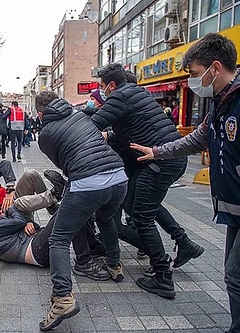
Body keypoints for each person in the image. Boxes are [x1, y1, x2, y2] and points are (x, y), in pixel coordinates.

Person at [130, 33, 240, 333]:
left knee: (234, 276)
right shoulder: (222, 103)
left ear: (215, 67)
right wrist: (157, 151)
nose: (194, 82)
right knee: (233, 275)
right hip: (237, 209)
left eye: (195, 74)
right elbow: (198, 139)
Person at [91, 63, 188, 300]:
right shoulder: (137, 92)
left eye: (102, 87)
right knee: (138, 209)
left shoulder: (120, 96)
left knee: (142, 215)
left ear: (111, 85)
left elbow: (92, 124)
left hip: (160, 161)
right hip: (168, 157)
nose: (102, 92)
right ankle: (178, 247)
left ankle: (163, 276)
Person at [36, 91, 128, 331]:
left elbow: (63, 164)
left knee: (58, 239)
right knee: (106, 219)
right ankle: (115, 266)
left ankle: (63, 298)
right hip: (119, 176)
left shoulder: (45, 134)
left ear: (39, 113)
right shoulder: (80, 115)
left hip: (88, 182)